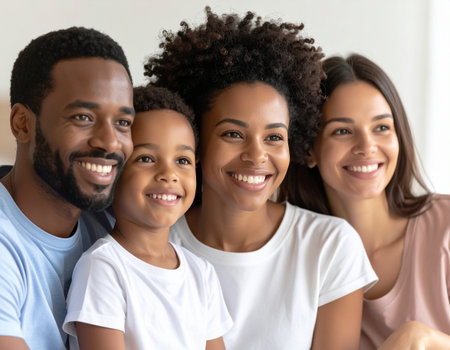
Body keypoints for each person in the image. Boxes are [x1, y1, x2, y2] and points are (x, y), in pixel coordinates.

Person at [145, 7, 377, 350]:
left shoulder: (329, 247)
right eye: (233, 135)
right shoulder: (152, 246)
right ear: (196, 139)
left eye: (274, 137)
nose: (256, 156)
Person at [281, 53, 450, 349]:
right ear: (309, 150)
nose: (367, 147)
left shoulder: (445, 225)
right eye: (343, 131)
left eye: (381, 127)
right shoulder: (295, 255)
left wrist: (425, 338)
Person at [63, 85, 233, 350]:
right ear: (112, 173)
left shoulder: (201, 272)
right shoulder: (103, 268)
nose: (169, 173)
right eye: (145, 158)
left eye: (183, 160)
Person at [0, 27, 135, 350]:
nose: (109, 142)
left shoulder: (114, 226)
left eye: (123, 122)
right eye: (83, 117)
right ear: (22, 123)